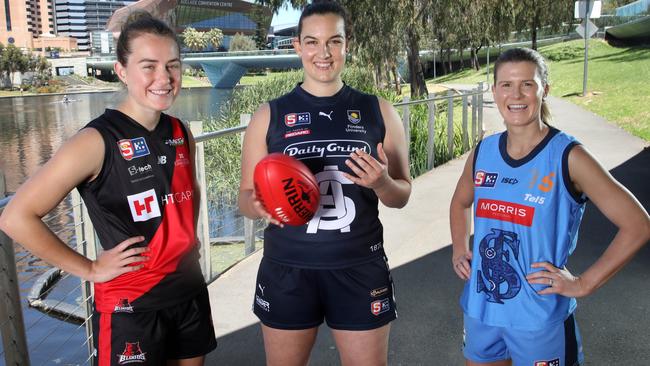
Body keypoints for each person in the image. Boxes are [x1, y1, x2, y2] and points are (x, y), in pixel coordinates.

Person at [0, 11, 216, 366]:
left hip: (187, 292)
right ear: (121, 71)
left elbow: (187, 195)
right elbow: (16, 216)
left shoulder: (181, 132)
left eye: (172, 65)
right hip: (131, 305)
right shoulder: (95, 140)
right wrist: (89, 269)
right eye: (149, 66)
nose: (163, 78)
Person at [449, 47, 650, 366]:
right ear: (495, 91)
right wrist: (460, 248)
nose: (516, 94)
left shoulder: (569, 157)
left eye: (527, 84)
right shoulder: (483, 152)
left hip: (539, 317)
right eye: (506, 84)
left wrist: (583, 283)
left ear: (545, 90)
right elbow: (460, 203)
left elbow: (638, 224)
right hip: (482, 309)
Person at [238, 2, 411, 365]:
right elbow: (244, 197)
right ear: (298, 46)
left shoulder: (378, 111)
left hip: (359, 267)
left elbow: (402, 194)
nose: (323, 53)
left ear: (348, 44)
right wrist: (257, 205)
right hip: (288, 268)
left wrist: (381, 183)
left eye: (334, 41)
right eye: (312, 42)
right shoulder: (269, 115)